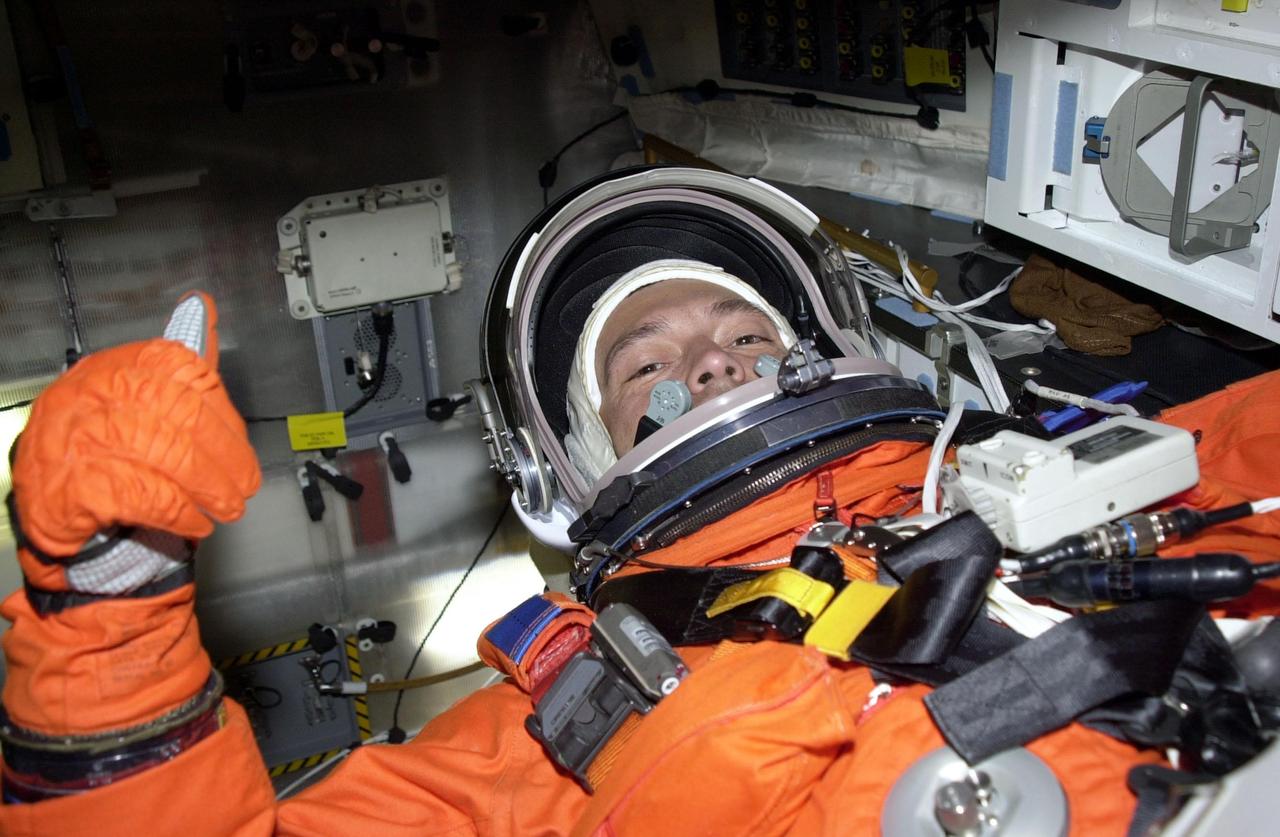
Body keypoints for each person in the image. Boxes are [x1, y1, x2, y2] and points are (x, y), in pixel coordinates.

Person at [2, 169, 1279, 836]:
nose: (710, 361)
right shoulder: (552, 727)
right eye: (644, 365)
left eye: (738, 328)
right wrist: (104, 629)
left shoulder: (1101, 460)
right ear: (575, 454)